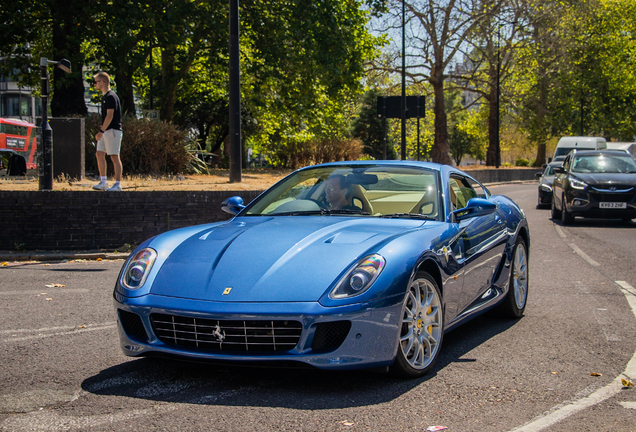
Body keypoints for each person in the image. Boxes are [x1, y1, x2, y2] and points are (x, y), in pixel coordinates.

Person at [92, 72, 123, 191]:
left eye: (96, 82)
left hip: (113, 131)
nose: (94, 85)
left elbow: (110, 116)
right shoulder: (105, 97)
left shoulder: (111, 96)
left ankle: (117, 184)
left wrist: (101, 131)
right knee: (99, 153)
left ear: (102, 82)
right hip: (106, 131)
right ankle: (103, 181)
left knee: (114, 156)